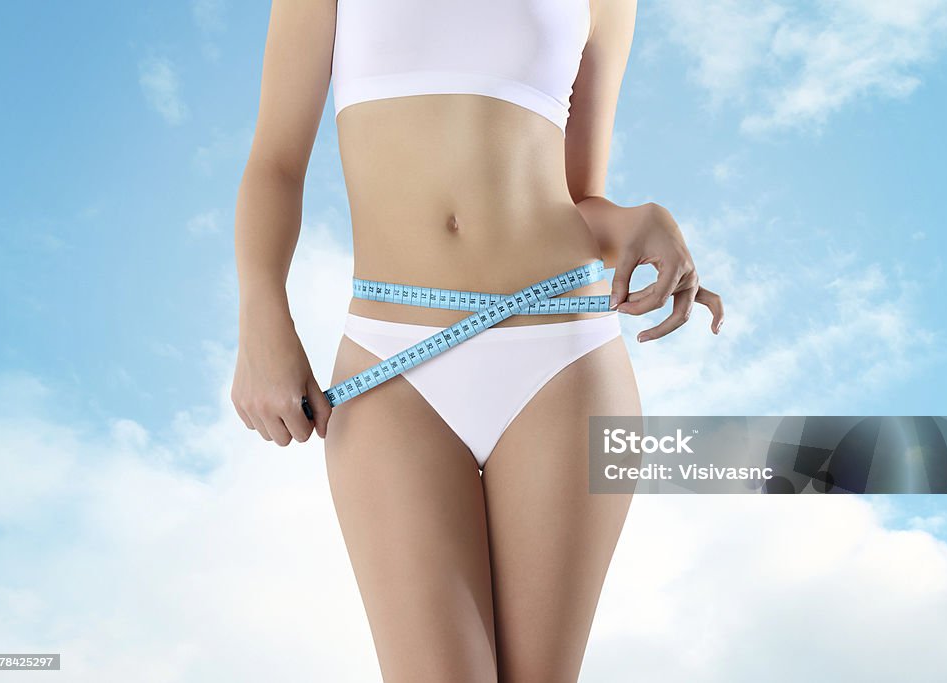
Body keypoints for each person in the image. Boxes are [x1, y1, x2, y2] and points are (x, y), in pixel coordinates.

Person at [231, 1, 723, 680]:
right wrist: (262, 319)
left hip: (564, 353)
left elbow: (582, 199)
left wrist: (646, 220)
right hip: (390, 358)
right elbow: (276, 162)